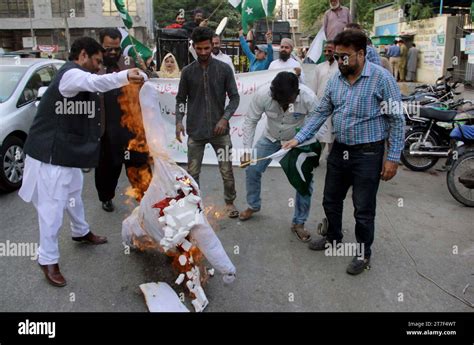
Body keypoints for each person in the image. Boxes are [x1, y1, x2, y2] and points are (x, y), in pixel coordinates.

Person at [18, 37, 145, 287]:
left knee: (74, 191)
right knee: (52, 209)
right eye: (97, 60)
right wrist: (125, 76)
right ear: (83, 55)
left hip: (67, 153)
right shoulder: (71, 75)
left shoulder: (77, 74)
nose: (99, 66)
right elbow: (96, 82)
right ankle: (48, 259)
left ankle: (80, 231)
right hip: (50, 154)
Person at [283, 30, 405, 275]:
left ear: (361, 54)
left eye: (345, 57)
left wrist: (392, 158)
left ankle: (363, 254)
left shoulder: (381, 78)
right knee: (330, 199)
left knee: (363, 208)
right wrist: (298, 138)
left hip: (369, 154)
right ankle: (333, 237)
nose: (339, 62)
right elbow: (319, 113)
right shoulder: (335, 81)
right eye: (337, 57)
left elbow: (397, 120)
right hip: (340, 151)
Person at [239, 72, 323, 242]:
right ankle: (253, 205)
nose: (283, 105)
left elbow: (319, 124)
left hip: (298, 141)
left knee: (304, 182)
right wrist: (246, 150)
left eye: (288, 102)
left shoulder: (308, 97)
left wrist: (307, 145)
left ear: (297, 93)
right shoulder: (263, 95)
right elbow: (250, 121)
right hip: (270, 138)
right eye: (279, 101)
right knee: (252, 169)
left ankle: (299, 222)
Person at [175, 27, 240, 218]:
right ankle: (194, 205)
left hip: (221, 132)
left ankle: (229, 202)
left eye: (206, 48)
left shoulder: (224, 69)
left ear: (212, 45)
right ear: (193, 47)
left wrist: (224, 118)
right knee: (192, 173)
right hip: (196, 131)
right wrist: (179, 120)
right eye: (199, 49)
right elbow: (180, 99)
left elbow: (235, 98)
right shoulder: (187, 72)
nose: (203, 52)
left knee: (227, 171)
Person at [94, 28, 151, 213]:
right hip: (106, 130)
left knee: (139, 164)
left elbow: (150, 83)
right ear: (101, 46)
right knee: (107, 169)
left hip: (132, 128)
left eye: (116, 48)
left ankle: (145, 198)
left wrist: (147, 70)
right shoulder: (95, 68)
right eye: (108, 48)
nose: (112, 52)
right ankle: (106, 197)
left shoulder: (130, 64)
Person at [311, 40, 338, 153]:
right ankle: (316, 157)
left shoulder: (340, 67)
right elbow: (313, 87)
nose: (327, 53)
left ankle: (331, 157)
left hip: (336, 105)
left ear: (336, 51)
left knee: (333, 134)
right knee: (320, 133)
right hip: (321, 105)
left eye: (330, 51)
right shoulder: (319, 67)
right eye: (325, 51)